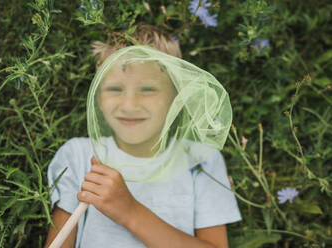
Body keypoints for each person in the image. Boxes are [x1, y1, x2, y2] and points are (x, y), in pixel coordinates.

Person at [45, 23, 241, 248]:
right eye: (115, 89)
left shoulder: (201, 160)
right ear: (97, 96)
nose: (129, 105)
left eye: (148, 89)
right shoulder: (79, 155)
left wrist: (130, 212)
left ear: (175, 97)